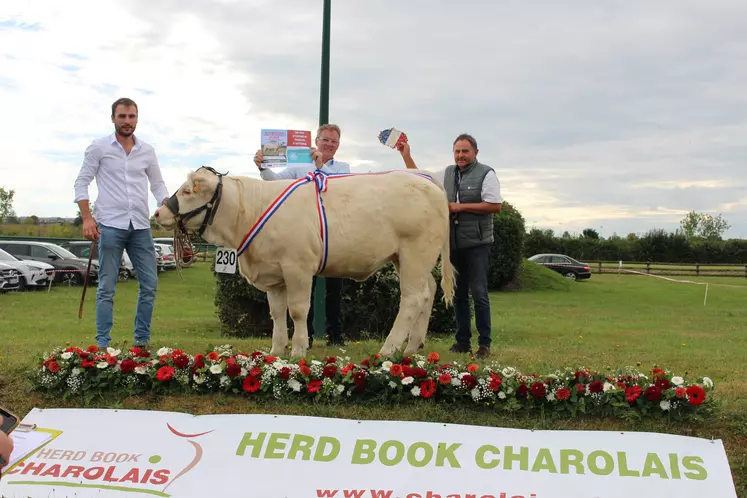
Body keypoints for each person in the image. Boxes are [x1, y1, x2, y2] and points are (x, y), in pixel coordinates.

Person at [74, 97, 170, 350]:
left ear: (137, 118)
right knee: (107, 286)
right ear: (113, 118)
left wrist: (167, 204)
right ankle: (103, 344)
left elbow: (157, 184)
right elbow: (81, 182)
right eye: (122, 117)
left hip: (140, 226)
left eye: (132, 117)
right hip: (110, 225)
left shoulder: (147, 151)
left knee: (149, 284)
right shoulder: (99, 147)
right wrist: (87, 217)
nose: (127, 121)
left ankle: (141, 343)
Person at [396, 134, 502, 358]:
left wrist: (459, 207)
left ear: (475, 152)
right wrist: (406, 156)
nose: (460, 156)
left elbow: (494, 205)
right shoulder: (448, 173)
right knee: (458, 294)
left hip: (478, 244)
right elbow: (422, 179)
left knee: (480, 293)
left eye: (465, 151)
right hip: (453, 243)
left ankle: (484, 344)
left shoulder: (487, 173)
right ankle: (462, 341)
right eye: (457, 151)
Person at [253, 124, 348, 347]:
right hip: (304, 233)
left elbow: (342, 187)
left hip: (334, 231)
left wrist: (321, 165)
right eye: (325, 140)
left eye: (334, 141)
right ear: (316, 140)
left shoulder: (343, 167)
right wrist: (262, 166)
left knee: (336, 287)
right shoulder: (298, 165)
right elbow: (274, 182)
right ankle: (308, 336)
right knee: (306, 285)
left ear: (338, 145)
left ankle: (336, 336)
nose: (329, 145)